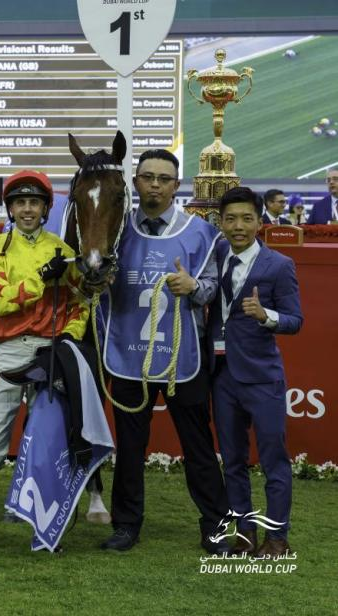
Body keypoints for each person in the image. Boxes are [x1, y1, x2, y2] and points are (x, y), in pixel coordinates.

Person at [100, 149, 230, 555]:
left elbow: (214, 289)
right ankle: (126, 525)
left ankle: (215, 527)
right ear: (135, 182)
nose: (155, 184)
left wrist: (194, 288)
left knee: (198, 445)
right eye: (147, 177)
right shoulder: (114, 229)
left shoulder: (201, 233)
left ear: (177, 186)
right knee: (129, 446)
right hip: (127, 353)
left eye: (164, 178)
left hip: (182, 356)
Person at [0, 170, 88, 553]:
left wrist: (69, 336)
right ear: (10, 209)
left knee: (49, 441)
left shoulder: (62, 249)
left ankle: (46, 529)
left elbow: (80, 303)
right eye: (20, 203)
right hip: (11, 350)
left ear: (45, 208)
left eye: (34, 202)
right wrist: (43, 278)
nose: (27, 209)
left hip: (51, 350)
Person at [209, 186, 303, 557]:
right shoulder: (216, 254)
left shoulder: (279, 265)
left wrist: (266, 316)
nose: (238, 226)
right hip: (222, 375)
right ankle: (245, 533)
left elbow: (295, 320)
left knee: (273, 460)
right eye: (231, 219)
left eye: (247, 218)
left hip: (262, 377)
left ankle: (277, 537)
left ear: (259, 222)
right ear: (221, 222)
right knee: (232, 460)